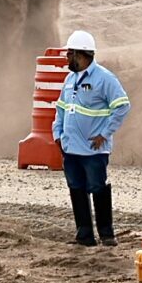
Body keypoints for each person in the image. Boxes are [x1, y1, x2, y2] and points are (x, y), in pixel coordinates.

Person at [50, 30, 130, 246]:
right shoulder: (69, 79)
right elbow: (61, 108)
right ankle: (84, 234)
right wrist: (57, 133)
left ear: (81, 55)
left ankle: (106, 235)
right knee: (76, 188)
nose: (67, 58)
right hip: (71, 149)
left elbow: (122, 106)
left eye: (69, 54)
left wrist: (104, 134)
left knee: (98, 187)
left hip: (94, 150)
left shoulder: (104, 79)